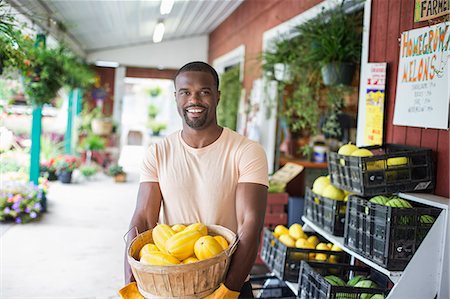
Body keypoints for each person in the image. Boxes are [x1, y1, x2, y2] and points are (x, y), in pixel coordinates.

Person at [121, 61, 269, 299]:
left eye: (204, 92)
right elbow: (142, 218)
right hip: (171, 285)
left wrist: (227, 291)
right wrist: (131, 283)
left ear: (218, 97)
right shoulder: (158, 152)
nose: (194, 100)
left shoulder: (246, 151)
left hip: (230, 279)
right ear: (176, 97)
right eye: (186, 92)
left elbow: (250, 223)